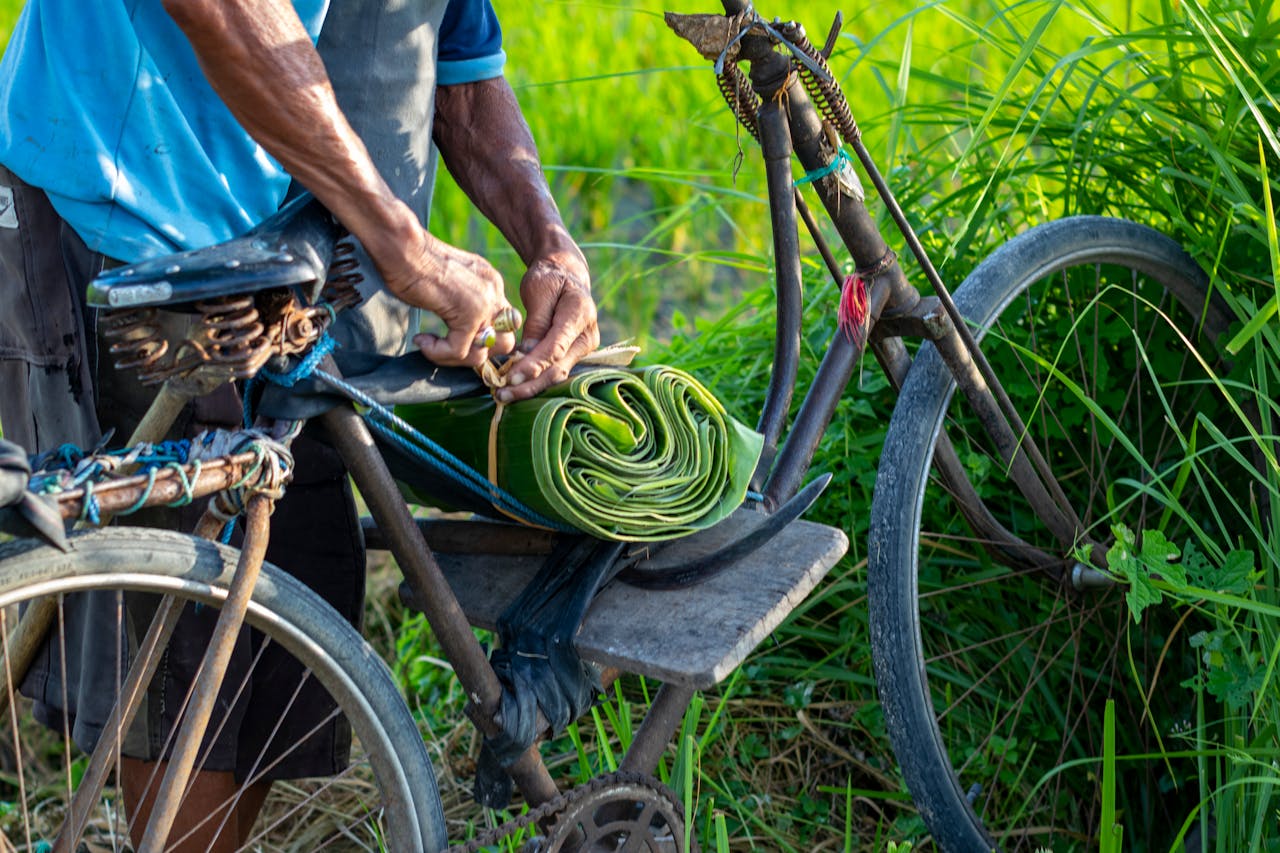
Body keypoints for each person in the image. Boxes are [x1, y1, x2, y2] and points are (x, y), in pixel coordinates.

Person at [0, 0, 600, 849]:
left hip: (300, 261)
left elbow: (457, 58)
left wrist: (551, 244)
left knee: (284, 607)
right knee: (186, 650)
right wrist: (410, 248)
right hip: (134, 218)